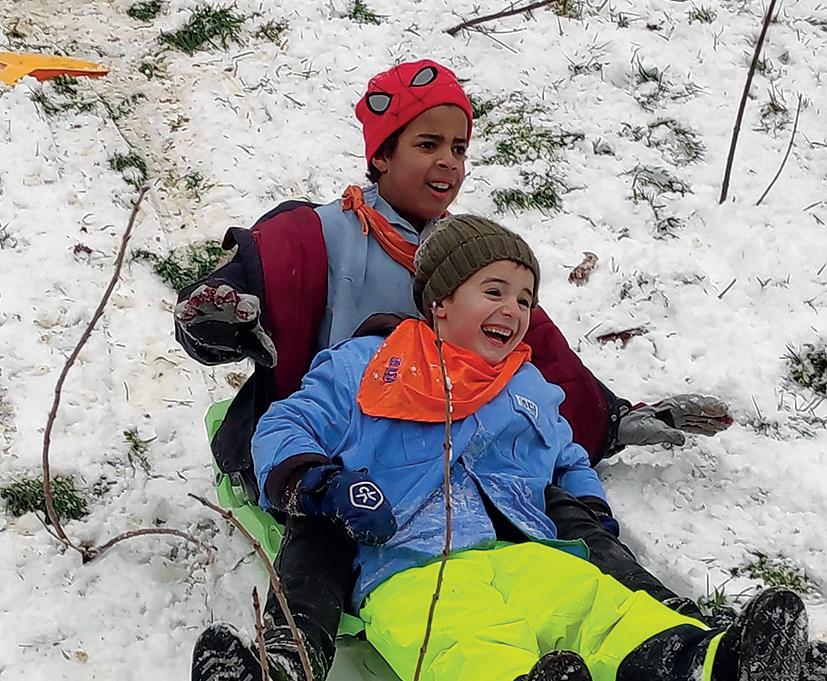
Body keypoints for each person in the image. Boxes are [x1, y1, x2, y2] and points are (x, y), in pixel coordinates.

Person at [179, 60, 749, 681]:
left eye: (459, 148)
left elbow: (543, 372)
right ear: (381, 156)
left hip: (467, 474)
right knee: (326, 533)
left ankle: (684, 640)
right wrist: (220, 325)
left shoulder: (476, 263)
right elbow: (245, 299)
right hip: (349, 446)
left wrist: (612, 418)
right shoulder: (318, 236)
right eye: (428, 144)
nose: (448, 162)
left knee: (570, 527)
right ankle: (286, 659)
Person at [221, 215, 810, 681]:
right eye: (494, 291)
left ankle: (714, 663)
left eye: (526, 299)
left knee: (602, 608)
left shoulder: (528, 387)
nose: (514, 309)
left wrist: (590, 512)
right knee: (465, 637)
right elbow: (284, 425)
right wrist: (324, 483)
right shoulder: (367, 363)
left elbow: (567, 457)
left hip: (526, 548)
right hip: (411, 562)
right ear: (441, 302)